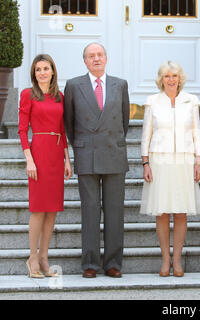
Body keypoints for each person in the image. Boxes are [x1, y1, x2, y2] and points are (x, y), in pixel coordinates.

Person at [63, 43, 130, 278]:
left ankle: (113, 263)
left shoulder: (120, 85)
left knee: (114, 212)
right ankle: (90, 264)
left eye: (100, 54)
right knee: (90, 211)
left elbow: (124, 122)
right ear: (85, 61)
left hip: (113, 153)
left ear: (106, 58)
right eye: (91, 56)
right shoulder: (73, 85)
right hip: (87, 153)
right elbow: (69, 124)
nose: (96, 59)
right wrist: (80, 146)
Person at [140, 61, 200, 277]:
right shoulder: (153, 102)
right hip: (160, 161)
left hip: (184, 161)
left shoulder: (190, 101)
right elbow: (146, 134)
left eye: (174, 75)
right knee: (162, 211)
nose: (171, 79)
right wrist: (145, 162)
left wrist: (198, 161)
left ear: (180, 78)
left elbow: (197, 132)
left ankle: (177, 259)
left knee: (180, 211)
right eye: (167, 76)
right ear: (161, 79)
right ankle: (165, 260)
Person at [18, 54, 72, 278]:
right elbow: (22, 130)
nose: (42, 72)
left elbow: (62, 129)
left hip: (56, 153)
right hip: (38, 151)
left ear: (53, 71)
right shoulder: (27, 95)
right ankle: (32, 257)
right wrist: (29, 159)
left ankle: (44, 257)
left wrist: (67, 159)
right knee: (38, 208)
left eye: (46, 68)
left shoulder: (60, 97)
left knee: (52, 210)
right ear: (34, 73)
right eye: (38, 69)